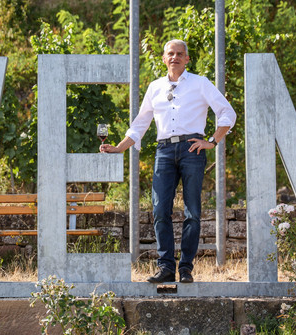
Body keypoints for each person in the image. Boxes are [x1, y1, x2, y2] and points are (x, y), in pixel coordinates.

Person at [100, 39, 236, 283]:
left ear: (187, 59)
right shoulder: (155, 87)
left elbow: (227, 113)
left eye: (180, 54)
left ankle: (185, 269)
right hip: (164, 150)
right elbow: (140, 123)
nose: (174, 57)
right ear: (163, 58)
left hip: (192, 149)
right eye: (170, 53)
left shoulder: (200, 83)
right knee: (160, 210)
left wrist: (212, 142)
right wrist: (120, 147)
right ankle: (165, 268)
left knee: (192, 212)